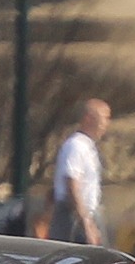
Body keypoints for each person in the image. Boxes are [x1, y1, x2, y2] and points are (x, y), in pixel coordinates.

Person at [46, 97, 110, 245]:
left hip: (87, 213)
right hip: (74, 216)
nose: (106, 124)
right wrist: (86, 223)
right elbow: (72, 185)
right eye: (104, 118)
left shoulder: (88, 147)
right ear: (88, 118)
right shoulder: (76, 146)